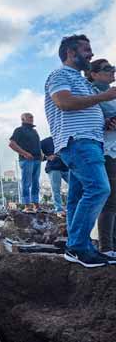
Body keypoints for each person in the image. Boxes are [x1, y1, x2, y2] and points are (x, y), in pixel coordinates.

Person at [44, 34, 116, 268]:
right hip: (79, 142)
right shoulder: (60, 74)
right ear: (70, 53)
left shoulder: (82, 81)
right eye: (86, 50)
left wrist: (102, 121)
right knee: (99, 188)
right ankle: (78, 247)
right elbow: (63, 102)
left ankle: (75, 246)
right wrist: (104, 97)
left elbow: (84, 107)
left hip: (90, 141)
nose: (91, 54)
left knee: (76, 196)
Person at [86, 59, 116, 256]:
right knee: (109, 199)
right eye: (107, 69)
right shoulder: (91, 93)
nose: (112, 71)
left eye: (113, 68)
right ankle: (106, 247)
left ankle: (110, 243)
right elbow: (92, 117)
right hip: (104, 150)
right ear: (93, 74)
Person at [9, 113, 42, 213]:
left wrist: (41, 154)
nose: (32, 118)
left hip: (37, 159)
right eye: (29, 117)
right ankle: (27, 205)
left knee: (36, 182)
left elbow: (38, 145)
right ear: (23, 119)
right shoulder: (19, 130)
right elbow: (11, 144)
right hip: (26, 160)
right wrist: (24, 153)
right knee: (26, 182)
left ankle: (36, 204)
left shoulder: (34, 131)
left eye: (32, 117)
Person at [40, 136, 69, 217]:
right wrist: (46, 157)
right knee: (56, 189)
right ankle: (59, 209)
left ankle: (70, 207)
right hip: (53, 168)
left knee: (75, 186)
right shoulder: (46, 141)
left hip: (66, 167)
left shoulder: (65, 138)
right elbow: (35, 151)